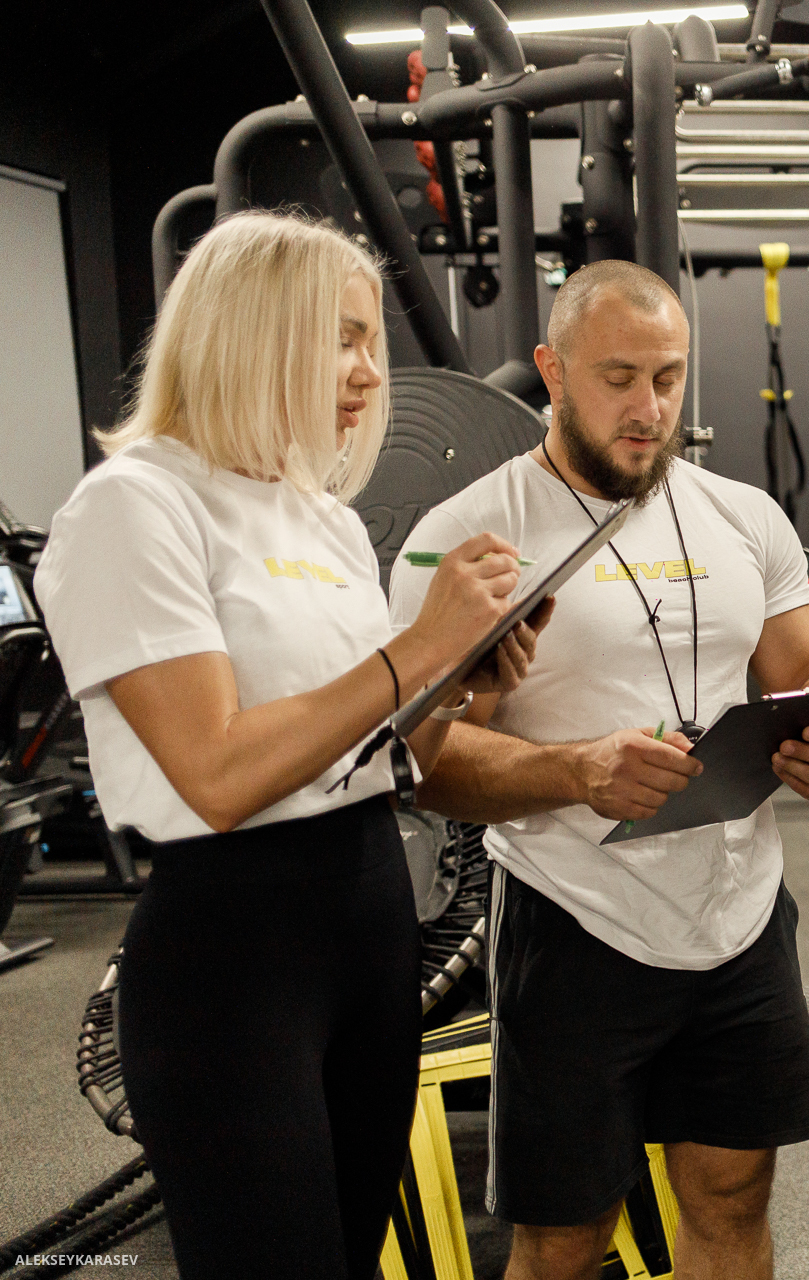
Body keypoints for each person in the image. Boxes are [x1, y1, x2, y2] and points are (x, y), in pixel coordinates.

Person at [34, 212, 544, 1277]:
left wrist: (465, 683)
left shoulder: (325, 520)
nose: (370, 373)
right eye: (342, 338)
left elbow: (380, 751)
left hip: (368, 921)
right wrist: (420, 646)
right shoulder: (134, 505)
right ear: (250, 331)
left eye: (373, 342)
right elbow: (217, 773)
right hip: (235, 951)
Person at [387, 260, 809, 1280]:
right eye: (619, 379)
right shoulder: (468, 538)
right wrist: (576, 771)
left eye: (669, 378)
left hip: (741, 913)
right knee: (567, 1234)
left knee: (732, 1194)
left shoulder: (745, 515)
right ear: (553, 370)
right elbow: (424, 769)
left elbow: (804, 676)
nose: (649, 409)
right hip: (575, 919)